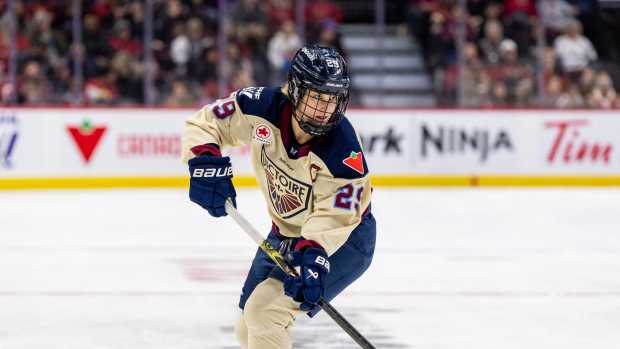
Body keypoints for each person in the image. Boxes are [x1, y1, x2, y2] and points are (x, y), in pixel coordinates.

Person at [181, 45, 376, 348]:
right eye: (317, 98)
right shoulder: (260, 107)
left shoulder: (344, 150)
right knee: (248, 327)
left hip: (344, 239)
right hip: (285, 232)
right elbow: (206, 123)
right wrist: (203, 161)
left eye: (332, 100)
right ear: (296, 90)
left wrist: (314, 254)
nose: (325, 110)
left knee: (266, 312)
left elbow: (339, 214)